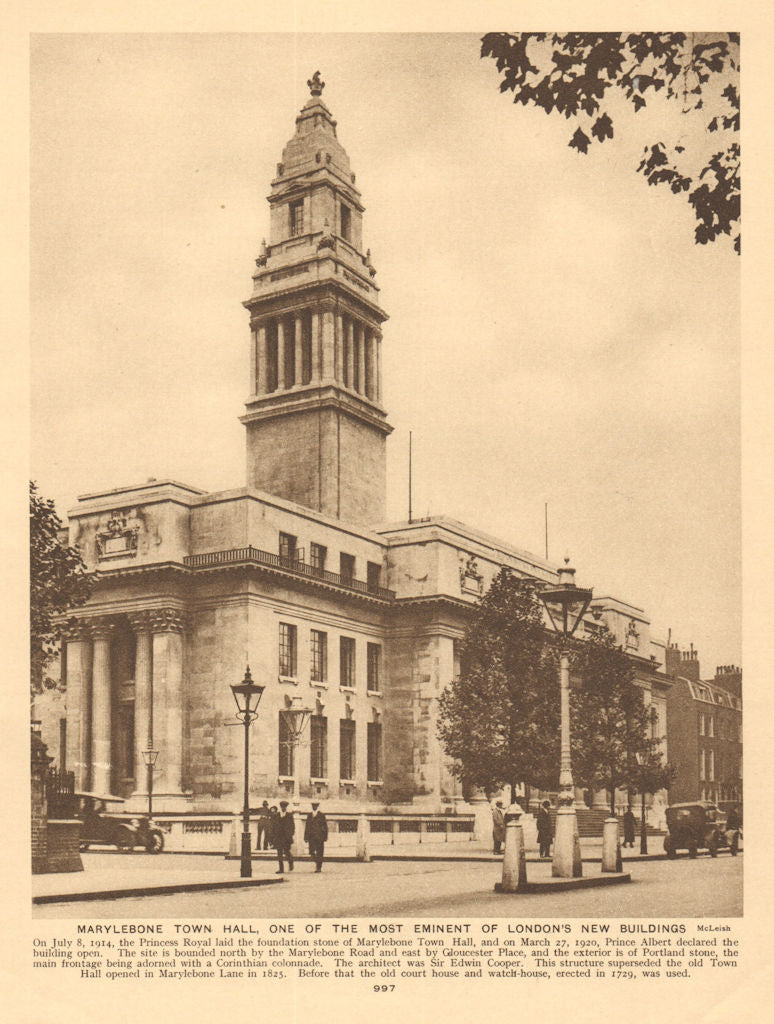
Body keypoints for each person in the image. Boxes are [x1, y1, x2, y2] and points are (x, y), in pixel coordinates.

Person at [304, 801, 329, 872]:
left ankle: (319, 867)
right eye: (313, 806)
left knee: (320, 852)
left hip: (319, 837)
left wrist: (325, 836)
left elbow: (325, 826)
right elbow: (307, 826)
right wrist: (305, 837)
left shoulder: (321, 815)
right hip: (311, 837)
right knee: (311, 851)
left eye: (315, 806)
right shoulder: (309, 815)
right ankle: (317, 861)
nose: (314, 807)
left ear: (317, 807)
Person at [274, 800, 295, 873]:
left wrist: (290, 835)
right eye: (282, 807)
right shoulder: (277, 815)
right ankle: (281, 869)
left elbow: (292, 827)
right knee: (279, 853)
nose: (283, 808)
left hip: (286, 838)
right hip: (279, 837)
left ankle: (290, 861)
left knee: (286, 851)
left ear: (286, 807)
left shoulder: (289, 816)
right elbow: (274, 826)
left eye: (284, 807)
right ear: (280, 807)